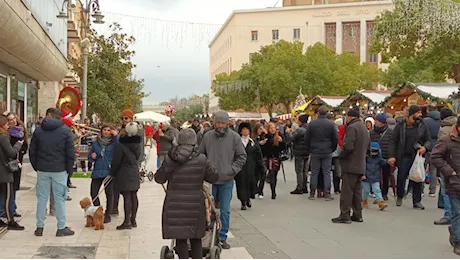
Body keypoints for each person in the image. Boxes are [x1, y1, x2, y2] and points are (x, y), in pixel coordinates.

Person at [155, 128, 219, 260]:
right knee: (196, 237)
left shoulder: (170, 157)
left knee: (181, 237)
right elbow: (214, 177)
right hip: (195, 204)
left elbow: (159, 178)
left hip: (174, 203)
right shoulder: (201, 159)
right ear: (194, 141)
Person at [198, 110, 247, 249]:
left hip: (227, 179)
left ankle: (223, 236)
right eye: (217, 122)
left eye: (222, 123)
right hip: (210, 180)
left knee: (225, 210)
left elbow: (242, 156)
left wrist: (232, 169)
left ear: (227, 123)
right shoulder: (207, 137)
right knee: (209, 211)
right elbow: (200, 155)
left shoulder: (234, 137)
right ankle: (209, 235)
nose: (220, 125)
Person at [29, 108, 76, 236]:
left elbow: (32, 151)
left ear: (48, 115)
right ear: (59, 118)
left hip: (43, 168)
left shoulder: (38, 131)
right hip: (59, 169)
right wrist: (69, 170)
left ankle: (39, 227)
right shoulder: (65, 131)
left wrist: (37, 166)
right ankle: (61, 227)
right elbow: (70, 153)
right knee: (60, 199)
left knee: (42, 198)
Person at [388, 105, 430, 209]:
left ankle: (417, 201)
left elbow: (428, 140)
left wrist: (424, 148)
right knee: (401, 177)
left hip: (417, 156)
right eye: (418, 112)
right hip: (403, 155)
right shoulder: (401, 125)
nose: (420, 115)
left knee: (417, 178)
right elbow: (393, 141)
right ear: (412, 114)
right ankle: (400, 196)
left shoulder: (422, 125)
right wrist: (392, 156)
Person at [332, 108, 369, 224]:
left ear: (350, 117)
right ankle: (358, 214)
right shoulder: (363, 128)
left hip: (350, 163)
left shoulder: (352, 128)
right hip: (360, 163)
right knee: (357, 191)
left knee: (347, 191)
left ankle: (345, 214)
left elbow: (348, 146)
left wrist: (341, 155)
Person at [431, 117, 460, 255]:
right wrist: (450, 172)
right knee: (457, 213)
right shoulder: (446, 140)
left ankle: (454, 231)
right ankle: (458, 242)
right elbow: (435, 157)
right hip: (454, 182)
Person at [110, 122, 142, 230]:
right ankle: (133, 220)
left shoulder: (121, 145)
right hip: (134, 170)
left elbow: (116, 161)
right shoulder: (138, 144)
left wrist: (112, 172)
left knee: (127, 196)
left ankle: (127, 221)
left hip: (124, 172)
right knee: (134, 195)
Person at [305, 107, 338, 201]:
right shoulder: (331, 124)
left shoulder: (312, 124)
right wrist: (332, 148)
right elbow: (335, 138)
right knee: (326, 172)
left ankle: (312, 192)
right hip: (327, 150)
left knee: (314, 172)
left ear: (318, 113)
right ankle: (327, 193)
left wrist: (309, 148)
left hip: (315, 150)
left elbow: (307, 138)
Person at [89, 124, 118, 224]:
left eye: (108, 130)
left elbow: (120, 147)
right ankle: (98, 211)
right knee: (93, 193)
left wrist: (116, 136)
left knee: (109, 193)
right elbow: (91, 155)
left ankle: (108, 214)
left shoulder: (114, 143)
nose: (106, 132)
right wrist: (92, 156)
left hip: (108, 171)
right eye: (104, 130)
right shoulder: (96, 143)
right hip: (97, 170)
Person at [0, 113, 27, 218]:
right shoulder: (5, 136)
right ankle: (6, 212)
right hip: (7, 164)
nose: (12, 122)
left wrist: (22, 150)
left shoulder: (20, 131)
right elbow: (10, 152)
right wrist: (18, 146)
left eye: (14, 119)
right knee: (6, 190)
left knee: (13, 187)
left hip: (16, 163)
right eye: (9, 120)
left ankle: (12, 209)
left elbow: (25, 145)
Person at [433, 108, 456, 225]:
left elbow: (440, 149)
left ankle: (448, 215)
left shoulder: (444, 130)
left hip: (447, 164)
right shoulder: (455, 125)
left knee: (446, 189)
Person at [235, 122, 265, 210]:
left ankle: (248, 199)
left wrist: (261, 166)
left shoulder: (253, 142)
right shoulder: (237, 142)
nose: (245, 131)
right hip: (240, 167)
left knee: (250, 183)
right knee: (241, 184)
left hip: (251, 166)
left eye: (247, 130)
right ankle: (243, 202)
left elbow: (258, 155)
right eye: (243, 129)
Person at [369, 113, 393, 201]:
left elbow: (392, 144)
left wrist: (392, 156)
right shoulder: (372, 132)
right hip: (374, 157)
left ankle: (384, 193)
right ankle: (377, 193)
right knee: (375, 176)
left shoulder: (390, 132)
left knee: (386, 176)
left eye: (377, 120)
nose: (375, 122)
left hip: (386, 156)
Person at [260, 122, 286, 200]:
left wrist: (282, 142)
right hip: (266, 158)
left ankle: (273, 191)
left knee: (274, 175)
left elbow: (283, 147)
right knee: (264, 174)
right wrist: (262, 143)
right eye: (271, 128)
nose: (273, 129)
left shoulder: (279, 136)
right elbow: (262, 148)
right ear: (268, 129)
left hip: (275, 158)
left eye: (274, 128)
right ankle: (262, 191)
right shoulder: (265, 136)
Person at [362, 142, 388, 211]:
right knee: (366, 191)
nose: (374, 152)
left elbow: (382, 162)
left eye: (375, 151)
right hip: (366, 177)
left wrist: (388, 161)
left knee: (377, 190)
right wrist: (363, 174)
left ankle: (381, 203)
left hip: (375, 177)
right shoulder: (365, 157)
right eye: (373, 150)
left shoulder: (379, 158)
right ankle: (364, 201)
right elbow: (362, 166)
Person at [423, 105, 441, 197]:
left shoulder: (425, 121)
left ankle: (421, 190)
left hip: (426, 146)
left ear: (428, 110)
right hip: (437, 146)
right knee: (433, 169)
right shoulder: (441, 121)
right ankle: (432, 191)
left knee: (422, 167)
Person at [290, 114, 309, 195]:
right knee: (305, 170)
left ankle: (299, 187)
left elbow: (292, 138)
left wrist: (289, 133)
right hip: (307, 151)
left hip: (299, 152)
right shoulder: (309, 128)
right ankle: (305, 186)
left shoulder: (300, 130)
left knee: (299, 170)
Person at [252, 123, 268, 198]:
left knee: (263, 174)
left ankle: (260, 191)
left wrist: (266, 132)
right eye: (260, 129)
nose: (261, 130)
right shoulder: (253, 137)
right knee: (256, 176)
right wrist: (259, 143)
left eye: (262, 129)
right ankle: (254, 189)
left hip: (263, 158)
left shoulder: (263, 136)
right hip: (255, 159)